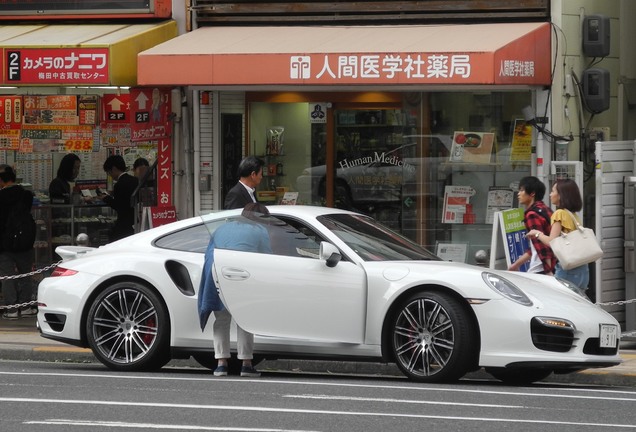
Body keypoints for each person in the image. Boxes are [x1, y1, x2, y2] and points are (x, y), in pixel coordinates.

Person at [198, 203, 273, 377]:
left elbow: (208, 254)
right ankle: (246, 364)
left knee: (221, 319)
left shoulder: (221, 228)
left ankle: (221, 364)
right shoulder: (260, 230)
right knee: (244, 320)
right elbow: (267, 258)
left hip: (217, 274)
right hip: (242, 276)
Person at [528, 178, 588, 291]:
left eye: (553, 191)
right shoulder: (573, 215)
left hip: (568, 269)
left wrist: (537, 234)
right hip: (583, 270)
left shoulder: (559, 213)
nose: (550, 194)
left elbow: (552, 241)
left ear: (561, 195)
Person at [0, 166, 36, 319]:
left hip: (4, 243)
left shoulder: (0, 197)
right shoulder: (26, 194)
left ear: (1, 180)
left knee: (7, 277)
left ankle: (12, 310)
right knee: (25, 274)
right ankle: (26, 307)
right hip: (24, 241)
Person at [509, 176, 555, 275]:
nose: (518, 194)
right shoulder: (545, 209)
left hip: (540, 268)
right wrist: (516, 265)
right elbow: (536, 244)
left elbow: (541, 246)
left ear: (532, 193)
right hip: (554, 263)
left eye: (522, 190)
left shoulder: (532, 215)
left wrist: (548, 272)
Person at [98, 155, 139, 242]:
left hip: (123, 224)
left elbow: (119, 206)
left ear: (114, 169)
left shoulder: (119, 184)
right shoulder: (135, 180)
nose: (110, 175)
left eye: (109, 172)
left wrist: (106, 198)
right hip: (135, 222)